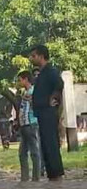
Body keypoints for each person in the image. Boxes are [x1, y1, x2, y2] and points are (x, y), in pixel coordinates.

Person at [29, 45, 65, 181]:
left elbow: (59, 84)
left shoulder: (50, 71)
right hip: (41, 112)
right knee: (45, 143)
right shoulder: (42, 72)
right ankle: (52, 173)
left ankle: (56, 173)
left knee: (51, 143)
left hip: (48, 112)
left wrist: (54, 98)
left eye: (34, 56)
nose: (31, 59)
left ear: (41, 56)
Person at [17, 71, 41, 182]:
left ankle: (36, 177)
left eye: (20, 80)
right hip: (24, 124)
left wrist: (30, 99)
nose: (19, 82)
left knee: (34, 152)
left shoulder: (33, 91)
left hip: (31, 123)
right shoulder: (24, 92)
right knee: (22, 152)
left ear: (26, 79)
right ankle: (24, 177)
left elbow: (36, 104)